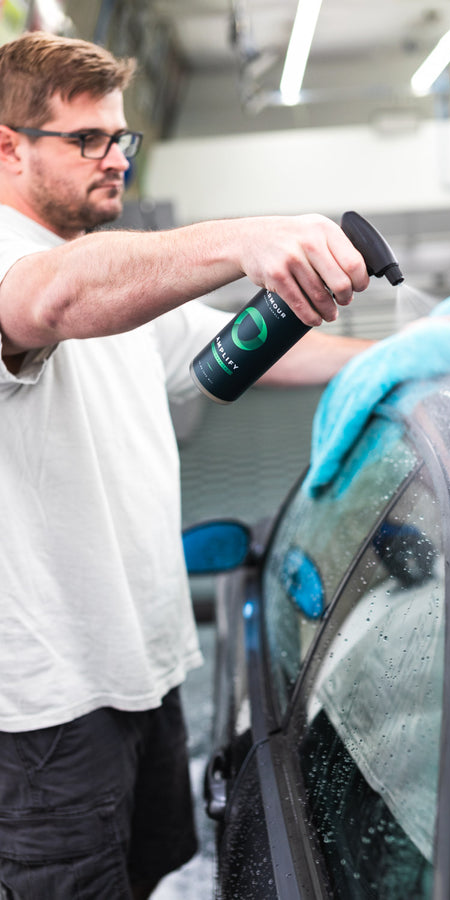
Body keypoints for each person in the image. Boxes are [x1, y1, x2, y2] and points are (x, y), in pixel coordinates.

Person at [0, 30, 375, 900]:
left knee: (150, 874)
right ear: (9, 146)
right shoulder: (35, 272)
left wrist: (409, 353)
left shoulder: (108, 281)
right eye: (86, 140)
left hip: (144, 665)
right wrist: (243, 238)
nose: (114, 160)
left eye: (119, 138)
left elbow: (227, 348)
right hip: (47, 712)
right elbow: (48, 297)